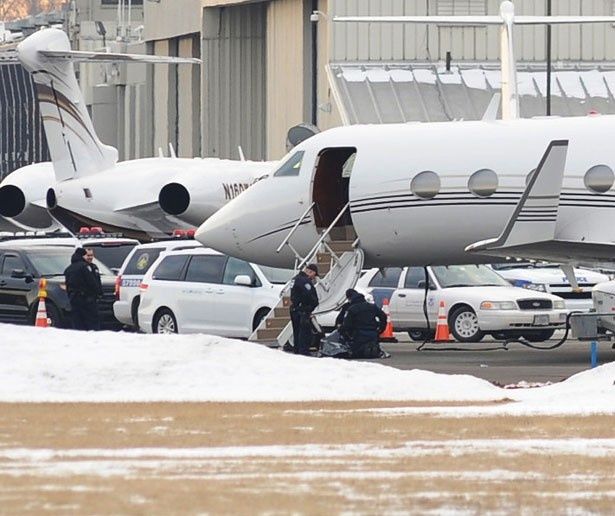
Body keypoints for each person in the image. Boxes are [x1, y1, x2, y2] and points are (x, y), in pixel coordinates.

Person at [340, 288, 389, 359]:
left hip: (358, 336)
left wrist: (347, 334)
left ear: (350, 298)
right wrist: (380, 330)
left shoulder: (352, 309)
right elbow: (383, 317)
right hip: (372, 335)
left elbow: (347, 325)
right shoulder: (372, 307)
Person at [64, 247, 102, 330]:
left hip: (74, 299)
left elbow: (68, 285)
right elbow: (92, 282)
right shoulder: (85, 267)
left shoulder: (69, 269)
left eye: (91, 255)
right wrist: (98, 293)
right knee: (92, 324)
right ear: (82, 256)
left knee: (78, 323)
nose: (89, 257)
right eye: (87, 255)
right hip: (87, 300)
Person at [289, 263, 319, 355]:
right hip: (302, 310)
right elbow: (309, 295)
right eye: (314, 275)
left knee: (296, 332)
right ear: (310, 272)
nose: (314, 278)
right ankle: (303, 353)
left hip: (295, 309)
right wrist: (310, 306)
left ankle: (297, 351)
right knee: (304, 334)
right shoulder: (305, 281)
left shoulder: (295, 279)